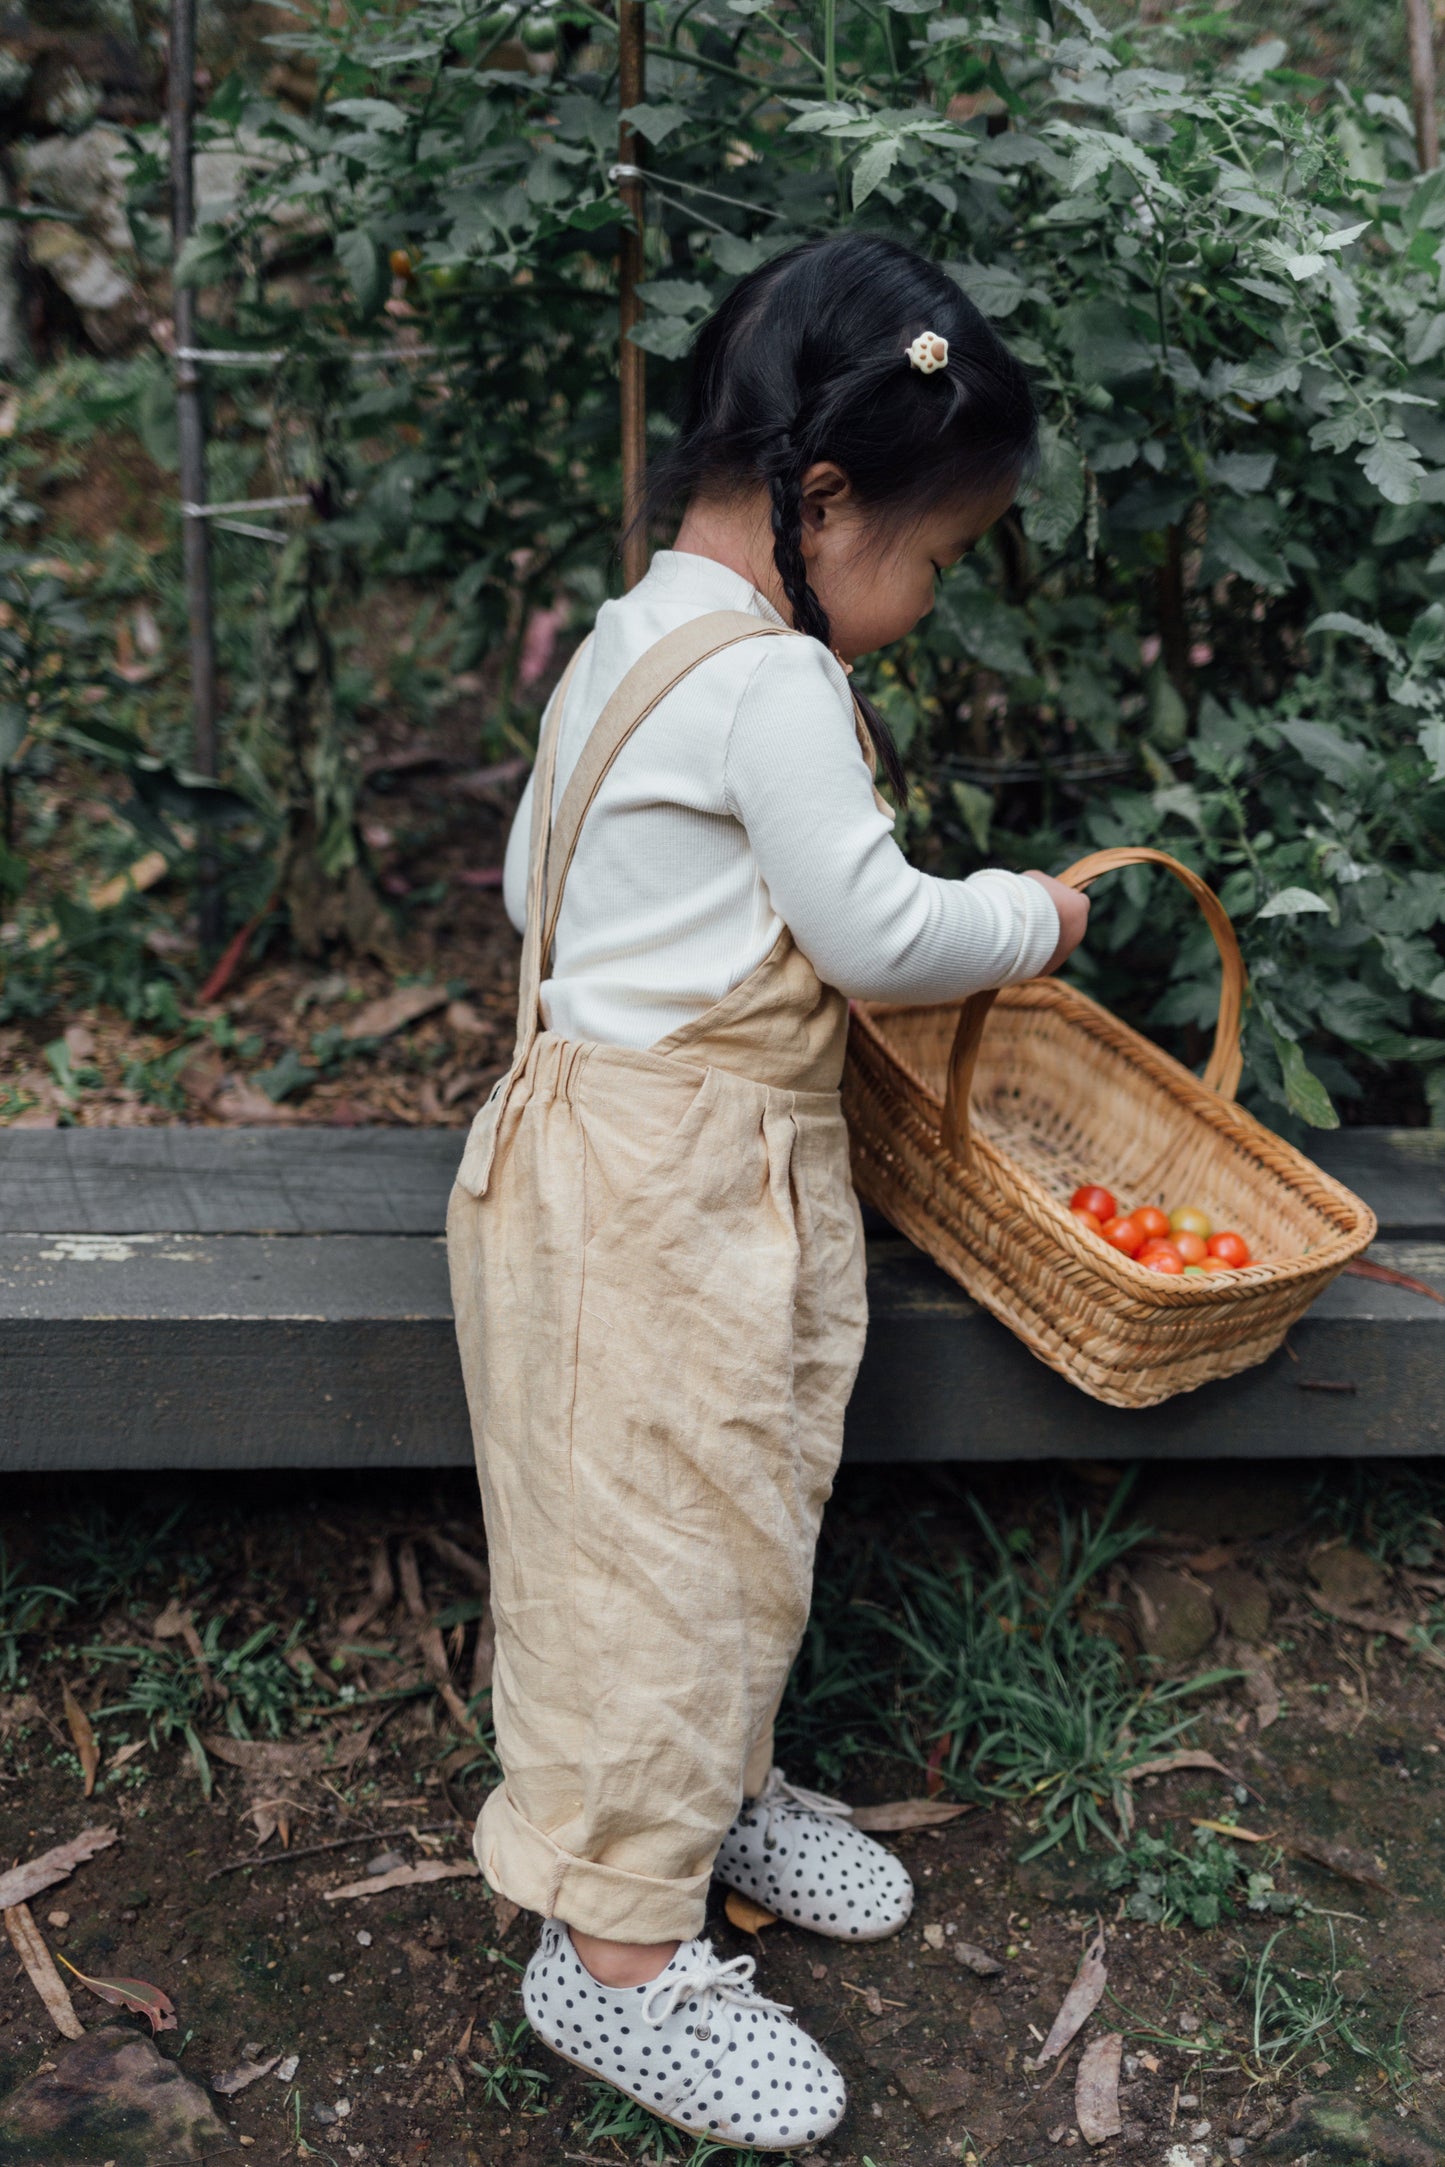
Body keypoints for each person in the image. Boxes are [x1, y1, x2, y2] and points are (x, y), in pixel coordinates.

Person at [446, 230, 1089, 2149]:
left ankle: (712, 1791)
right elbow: (879, 929)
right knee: (654, 1557)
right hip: (674, 1186)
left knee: (706, 1522)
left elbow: (522, 893)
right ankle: (613, 1958)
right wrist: (1033, 920)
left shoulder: (631, 635)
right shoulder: (777, 689)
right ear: (822, 501)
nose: (931, 593)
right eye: (938, 554)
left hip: (605, 1152)